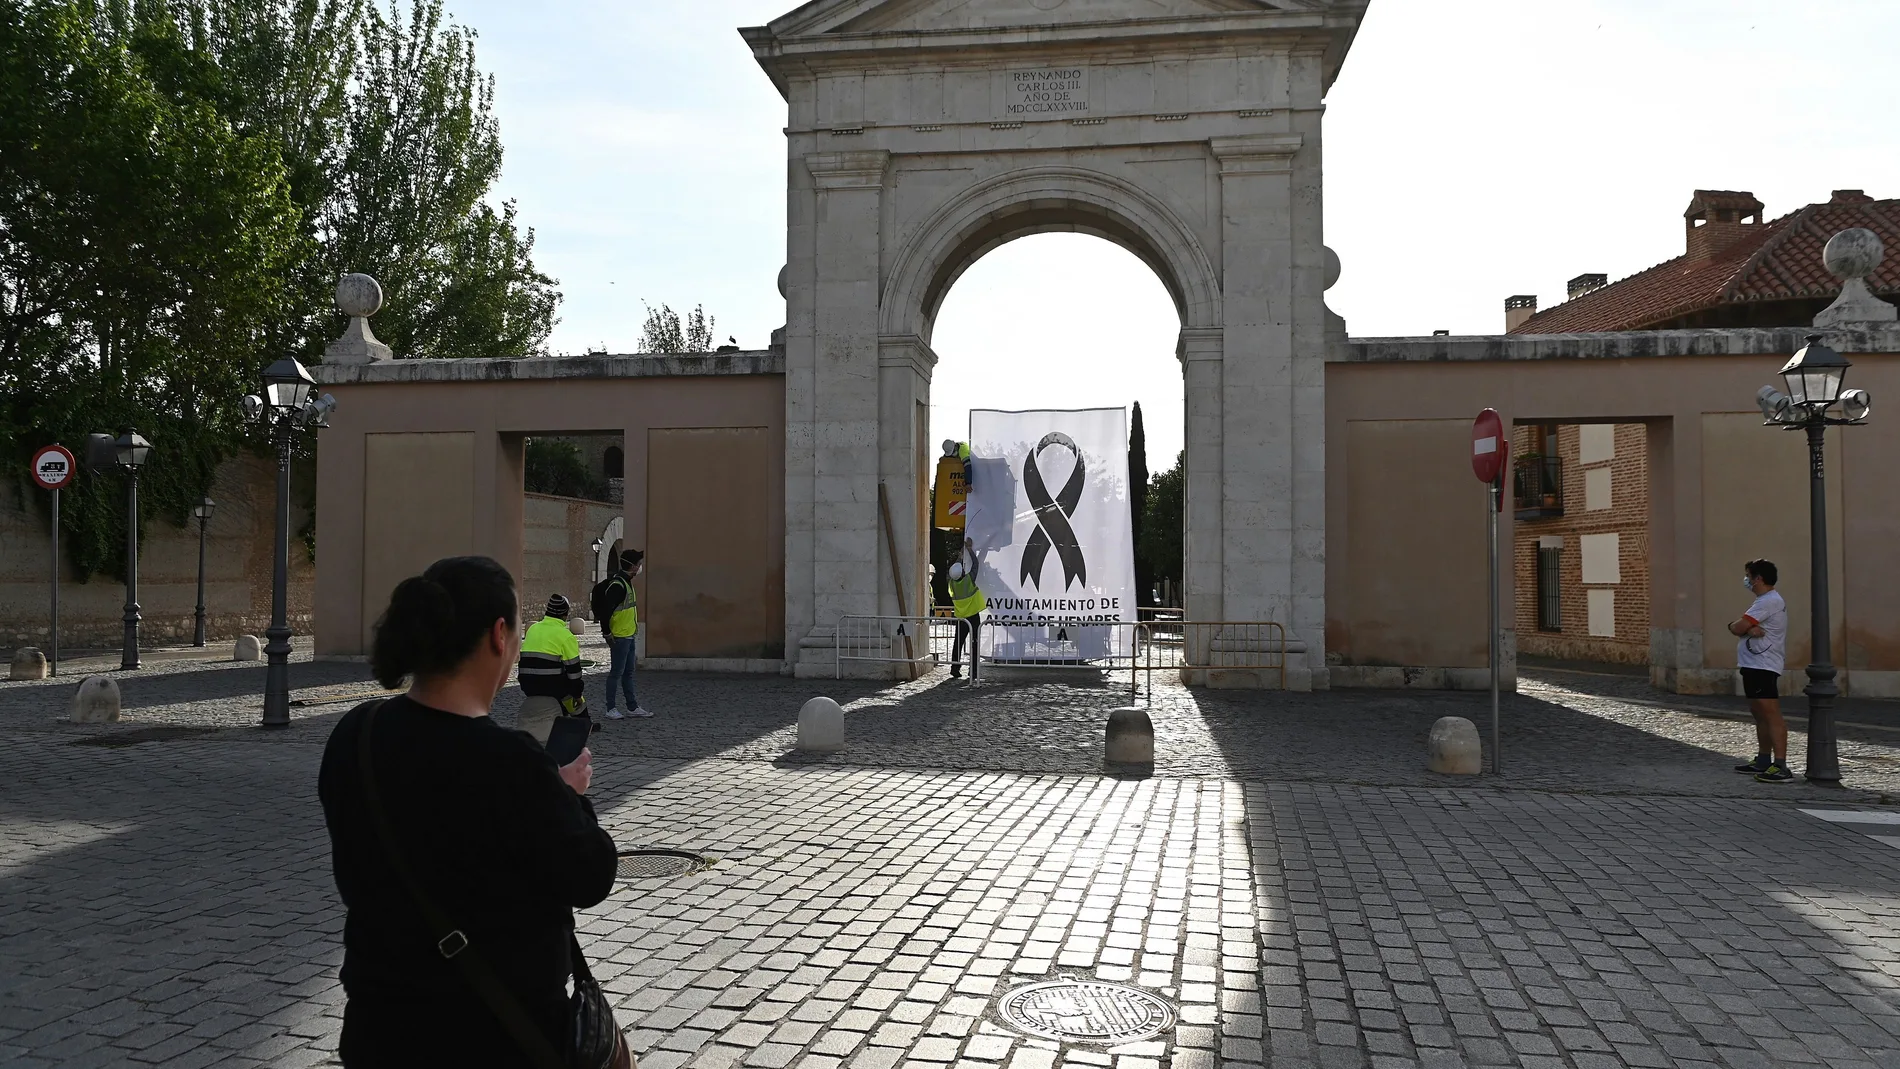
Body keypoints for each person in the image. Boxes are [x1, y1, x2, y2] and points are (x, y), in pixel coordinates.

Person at [318, 555, 619, 1067]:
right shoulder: (512, 763)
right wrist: (568, 795)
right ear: (499, 635)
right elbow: (592, 875)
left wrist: (548, 790)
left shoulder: (356, 734)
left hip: (380, 1029)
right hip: (492, 1038)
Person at [1729, 558, 1791, 783]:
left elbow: (1738, 627)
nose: (1746, 580)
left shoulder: (1768, 602)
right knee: (1759, 714)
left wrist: (1742, 628)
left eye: (1748, 576)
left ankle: (1781, 766)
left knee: (1770, 713)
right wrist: (1744, 628)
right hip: (1753, 665)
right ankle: (1763, 759)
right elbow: (1740, 627)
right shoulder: (1764, 601)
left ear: (1758, 579)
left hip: (1764, 665)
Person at [516, 594, 586, 745]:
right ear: (565, 614)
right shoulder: (566, 636)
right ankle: (584, 722)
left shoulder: (533, 629)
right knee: (571, 688)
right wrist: (578, 694)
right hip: (552, 688)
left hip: (527, 684)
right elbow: (575, 673)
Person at [598, 550, 649, 719]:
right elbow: (605, 612)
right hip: (620, 636)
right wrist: (606, 633)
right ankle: (610, 708)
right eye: (639, 564)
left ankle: (632, 707)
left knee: (628, 672)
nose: (640, 567)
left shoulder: (626, 583)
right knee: (616, 673)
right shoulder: (618, 585)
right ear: (632, 566)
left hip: (629, 635)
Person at [948, 537, 986, 679]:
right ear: (963, 573)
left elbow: (955, 571)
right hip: (973, 617)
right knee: (974, 644)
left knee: (958, 643)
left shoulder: (951, 583)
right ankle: (974, 671)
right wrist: (969, 548)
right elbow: (976, 564)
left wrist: (960, 556)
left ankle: (954, 668)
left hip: (960, 617)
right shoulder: (968, 580)